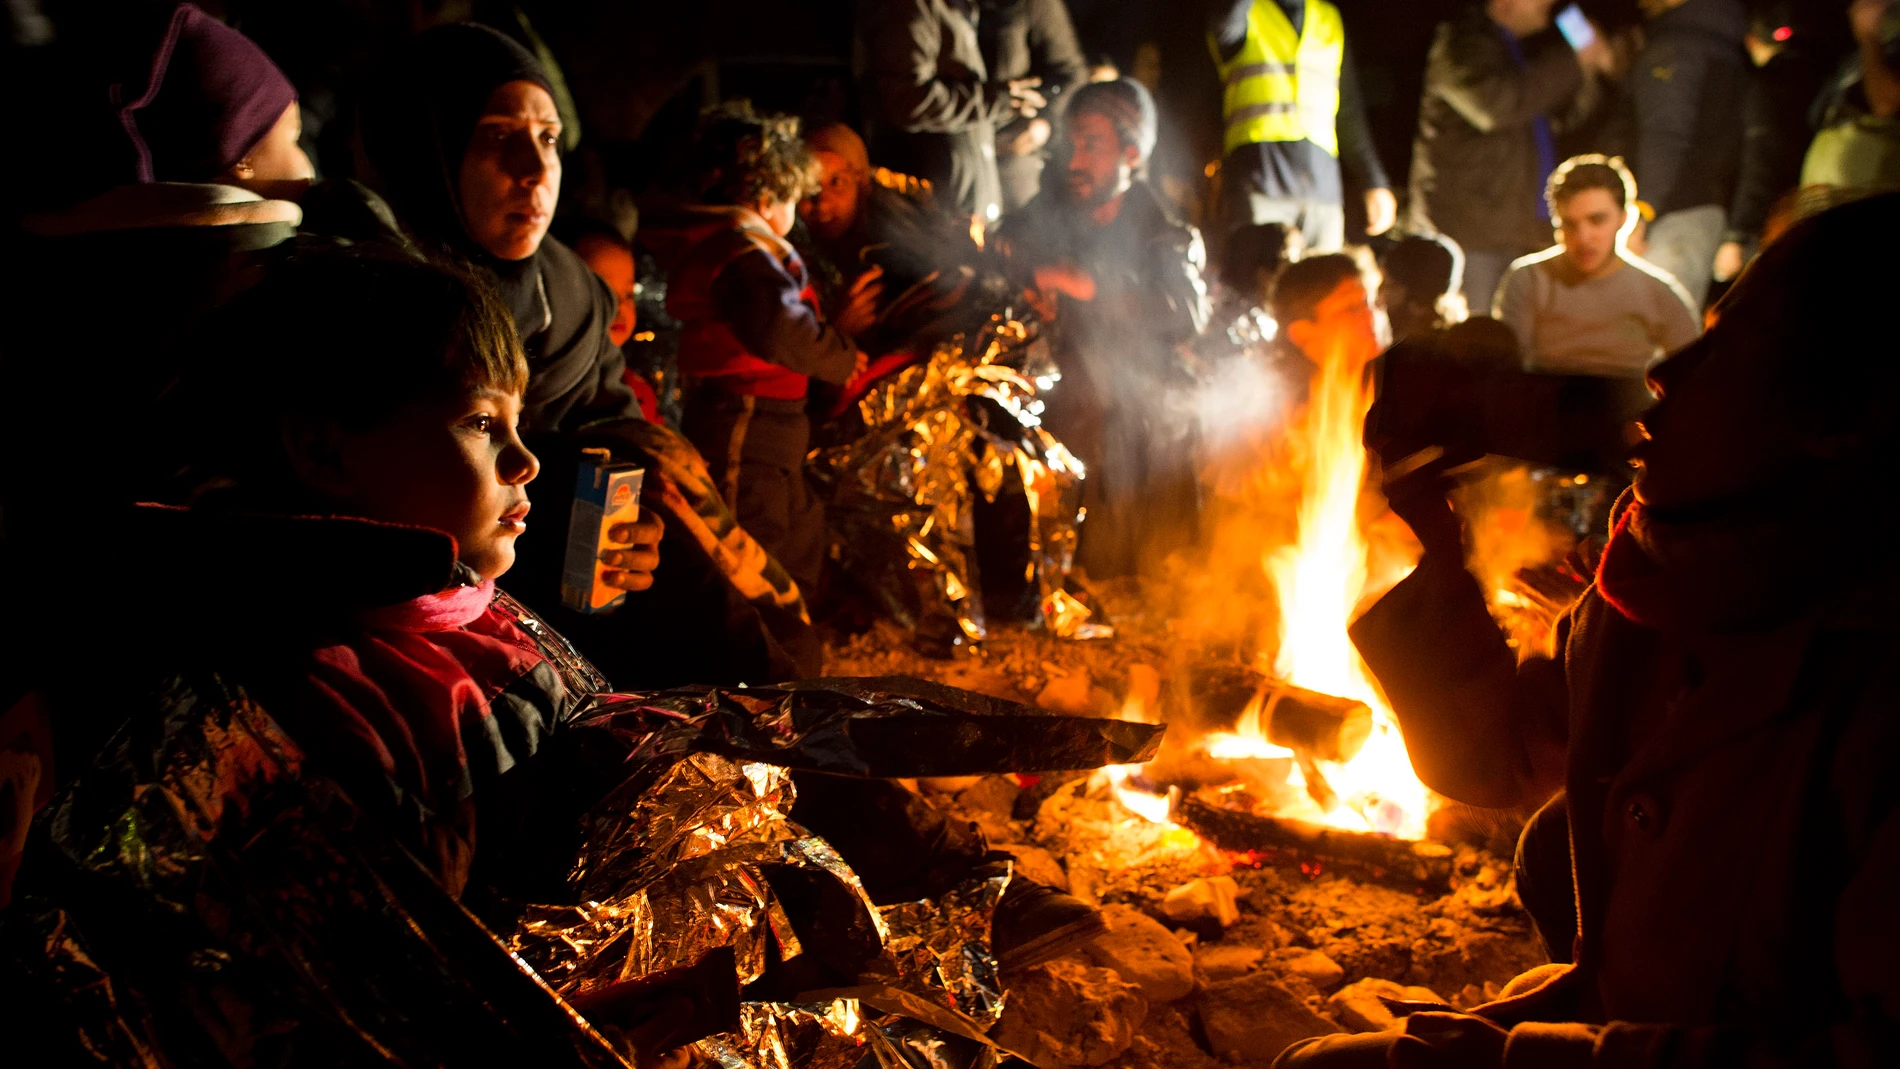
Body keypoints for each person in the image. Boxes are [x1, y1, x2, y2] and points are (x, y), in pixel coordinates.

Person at [1278, 192, 1900, 1069]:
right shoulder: (1664, 576)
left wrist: (1513, 1058)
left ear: (1846, 419)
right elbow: (1511, 755)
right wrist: (1441, 556)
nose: (1665, 373)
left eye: (1730, 346)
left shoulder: (1869, 678)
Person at [358, 22, 817, 688]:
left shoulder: (572, 292)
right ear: (425, 148)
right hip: (442, 641)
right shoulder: (372, 311)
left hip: (589, 609)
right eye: (496, 135)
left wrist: (639, 533)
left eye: (547, 137)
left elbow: (618, 428)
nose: (535, 169)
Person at [642, 104, 868, 597]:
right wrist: (841, 358)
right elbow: (779, 330)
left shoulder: (741, 247)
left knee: (797, 525)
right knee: (749, 533)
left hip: (774, 419)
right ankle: (755, 641)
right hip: (745, 415)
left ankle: (795, 622)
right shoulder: (743, 251)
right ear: (768, 195)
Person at [1000, 78, 1210, 578]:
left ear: (1132, 153)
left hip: (1134, 414)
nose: (1074, 161)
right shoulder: (1051, 212)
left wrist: (1089, 286)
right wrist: (1030, 287)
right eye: (1071, 144)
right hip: (1063, 398)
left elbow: (1186, 310)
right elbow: (1004, 253)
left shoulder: (1159, 226)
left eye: (1091, 145)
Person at [1407, 0, 1613, 317]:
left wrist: (1589, 73)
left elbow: (1550, 122)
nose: (1550, 3)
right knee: (1477, 341)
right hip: (1474, 234)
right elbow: (1497, 106)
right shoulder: (1461, 45)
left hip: (1516, 229)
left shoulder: (1509, 51)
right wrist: (1575, 59)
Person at [1206, 0, 1396, 251]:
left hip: (1321, 190)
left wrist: (1374, 180)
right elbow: (1225, 23)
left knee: (1325, 283)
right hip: (1260, 182)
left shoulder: (1327, 18)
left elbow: (1348, 111)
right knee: (1258, 282)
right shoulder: (1244, 12)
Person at [1495, 155, 1700, 378]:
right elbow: (1505, 370)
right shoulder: (1529, 278)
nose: (1583, 237)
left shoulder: (1657, 291)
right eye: (1569, 224)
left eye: (1597, 220)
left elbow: (1695, 372)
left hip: (1628, 407)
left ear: (1624, 219)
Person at [856, 0, 1049, 227]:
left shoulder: (960, 8)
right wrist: (995, 100)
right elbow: (907, 101)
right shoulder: (912, 8)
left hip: (964, 214)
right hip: (932, 217)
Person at [1624, 0, 1748, 310]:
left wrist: (1642, 212)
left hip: (1671, 216)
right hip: (1705, 210)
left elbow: (1665, 136)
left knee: (1649, 335)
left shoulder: (1677, 48)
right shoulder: (1719, 42)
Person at [1711, 1, 1831, 283]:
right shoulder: (1823, 81)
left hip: (1770, 225)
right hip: (1811, 212)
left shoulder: (1762, 88)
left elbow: (1760, 159)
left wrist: (1736, 235)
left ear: (1751, 40)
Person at [977, 0, 1090, 214]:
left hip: (1010, 162)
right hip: (951, 160)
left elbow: (1072, 74)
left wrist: (1045, 124)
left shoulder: (1034, 4)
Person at [1800, 0, 1900, 194]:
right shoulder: (1865, 48)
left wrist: (1868, 37)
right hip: (1831, 181)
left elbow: (1886, 103)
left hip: (1867, 177)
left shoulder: (1875, 41)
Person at [1380, 233, 1466, 344]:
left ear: (1417, 302)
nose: (1379, 293)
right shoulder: (1460, 344)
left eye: (1387, 284)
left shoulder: (1406, 354)